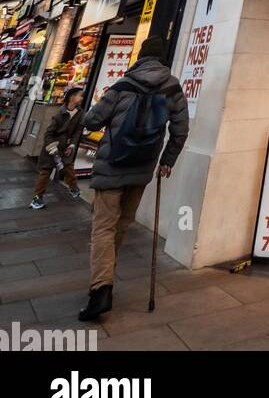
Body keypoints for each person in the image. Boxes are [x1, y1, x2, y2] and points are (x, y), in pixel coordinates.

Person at [77, 36, 188, 322]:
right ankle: (104, 278)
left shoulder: (122, 85)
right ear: (164, 57)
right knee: (121, 225)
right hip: (142, 168)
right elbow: (180, 130)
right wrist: (167, 161)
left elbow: (91, 121)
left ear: (141, 56)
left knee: (103, 228)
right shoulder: (173, 87)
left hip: (112, 166)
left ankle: (101, 288)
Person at [30, 86, 84, 208]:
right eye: (80, 95)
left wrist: (73, 144)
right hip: (52, 147)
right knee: (45, 172)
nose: (82, 98)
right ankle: (37, 198)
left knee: (68, 167)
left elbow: (78, 130)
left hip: (65, 147)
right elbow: (48, 133)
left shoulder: (80, 112)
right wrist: (52, 147)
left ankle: (73, 188)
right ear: (72, 97)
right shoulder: (60, 113)